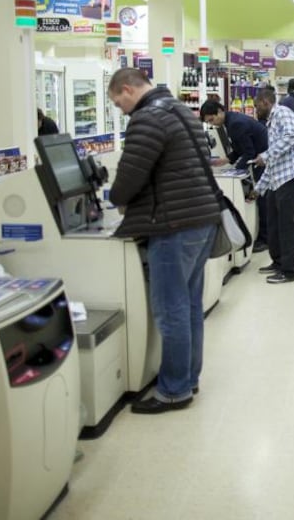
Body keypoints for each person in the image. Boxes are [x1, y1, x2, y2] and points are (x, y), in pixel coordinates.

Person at [106, 68, 221, 415]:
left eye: (118, 102)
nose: (121, 110)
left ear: (127, 90)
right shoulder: (179, 110)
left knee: (170, 310)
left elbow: (130, 175)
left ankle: (173, 391)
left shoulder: (148, 118)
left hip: (173, 224)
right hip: (201, 218)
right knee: (188, 306)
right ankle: (188, 376)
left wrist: (115, 197)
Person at [252, 88, 294, 284]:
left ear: (266, 102)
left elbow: (293, 136)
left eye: (256, 106)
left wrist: (266, 155)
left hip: (290, 177)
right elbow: (273, 162)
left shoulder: (282, 112)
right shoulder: (270, 123)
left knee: (287, 226)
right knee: (274, 224)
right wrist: (258, 189)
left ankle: (291, 270)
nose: (255, 110)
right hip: (277, 180)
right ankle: (278, 263)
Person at [201, 99, 270, 252]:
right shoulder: (231, 121)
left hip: (263, 161)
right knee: (262, 199)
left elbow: (249, 152)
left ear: (220, 111)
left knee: (263, 200)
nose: (213, 123)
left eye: (212, 119)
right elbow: (240, 149)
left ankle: (265, 239)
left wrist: (235, 172)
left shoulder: (235, 124)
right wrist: (224, 161)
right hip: (260, 158)